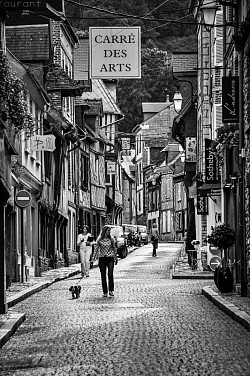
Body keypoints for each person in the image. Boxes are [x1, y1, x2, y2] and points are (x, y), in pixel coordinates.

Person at [94, 225, 118, 298]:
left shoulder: (111, 239)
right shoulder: (100, 239)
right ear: (104, 231)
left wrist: (116, 258)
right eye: (108, 231)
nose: (109, 232)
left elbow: (114, 248)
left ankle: (111, 290)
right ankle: (105, 291)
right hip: (102, 259)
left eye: (109, 231)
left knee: (110, 274)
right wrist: (93, 258)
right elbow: (96, 249)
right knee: (103, 275)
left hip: (110, 258)